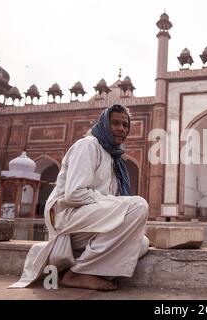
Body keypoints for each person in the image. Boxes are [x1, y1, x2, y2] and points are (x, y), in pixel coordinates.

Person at [10, 104, 149, 291]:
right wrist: (119, 205)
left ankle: (82, 268)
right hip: (67, 217)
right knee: (138, 205)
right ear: (103, 124)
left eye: (125, 125)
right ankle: (79, 273)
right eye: (115, 123)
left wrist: (128, 221)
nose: (121, 129)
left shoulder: (114, 159)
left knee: (141, 243)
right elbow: (75, 194)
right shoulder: (88, 146)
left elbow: (111, 205)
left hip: (90, 220)